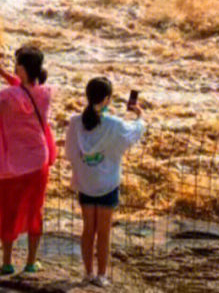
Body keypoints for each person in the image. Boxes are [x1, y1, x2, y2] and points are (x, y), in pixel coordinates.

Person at [0, 43, 55, 278]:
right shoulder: (45, 93)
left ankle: (7, 263)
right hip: (38, 161)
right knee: (34, 210)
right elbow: (25, 89)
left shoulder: (8, 96)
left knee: (8, 211)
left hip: (11, 165)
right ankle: (31, 262)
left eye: (16, 63)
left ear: (22, 68)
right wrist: (1, 71)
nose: (14, 65)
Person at [65, 77, 145, 287]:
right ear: (108, 99)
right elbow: (133, 134)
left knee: (87, 230)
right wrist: (139, 114)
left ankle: (88, 273)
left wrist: (83, 171)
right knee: (104, 232)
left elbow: (70, 153)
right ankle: (101, 276)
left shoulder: (75, 121)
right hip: (108, 184)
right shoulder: (114, 124)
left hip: (85, 183)